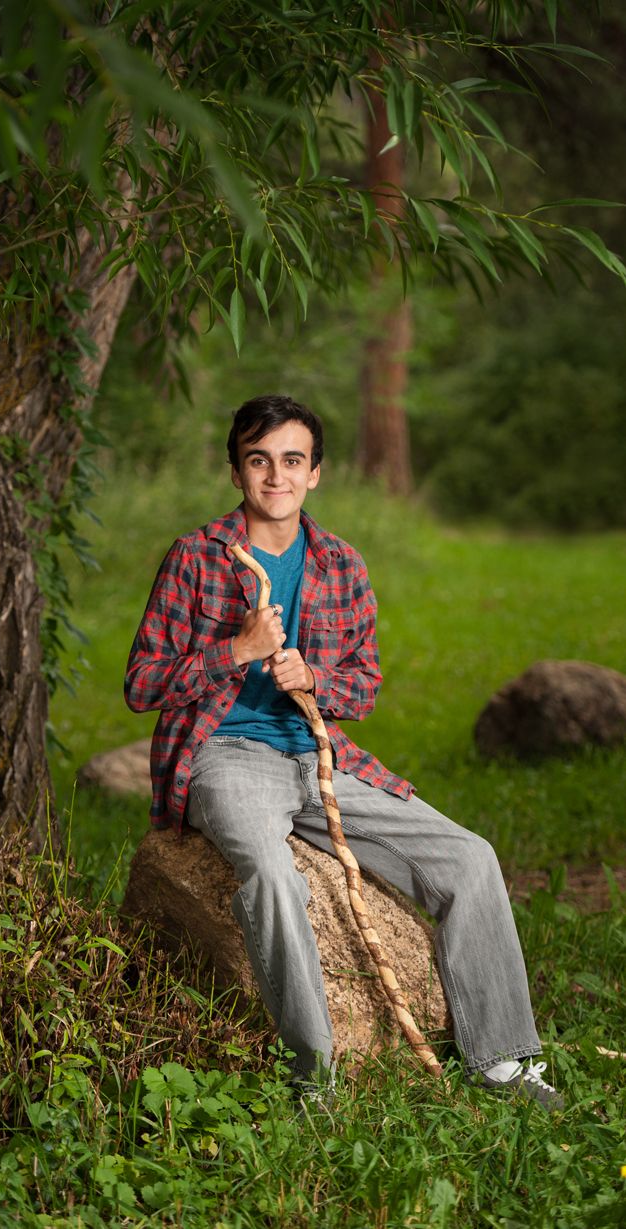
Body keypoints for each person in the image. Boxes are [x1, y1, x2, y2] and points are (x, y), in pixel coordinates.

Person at [124, 394, 562, 1110]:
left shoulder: (340, 564)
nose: (276, 476)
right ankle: (315, 1076)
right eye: (259, 460)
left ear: (315, 473)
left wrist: (315, 679)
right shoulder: (196, 557)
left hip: (323, 758)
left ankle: (502, 1060)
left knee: (470, 858)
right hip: (225, 754)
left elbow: (362, 685)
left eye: (292, 461)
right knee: (271, 874)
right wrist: (235, 649)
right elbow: (141, 683)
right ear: (237, 470)